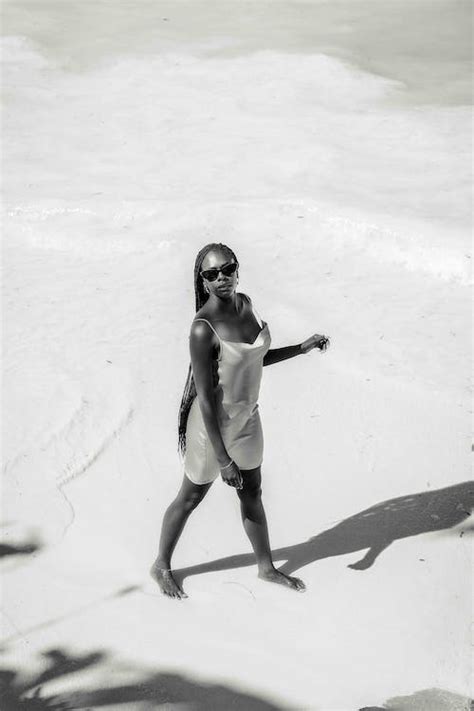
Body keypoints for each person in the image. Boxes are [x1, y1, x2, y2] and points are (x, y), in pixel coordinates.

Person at [151, 242, 330, 599]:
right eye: (211, 274)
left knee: (253, 492)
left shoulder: (246, 305)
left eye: (227, 269)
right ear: (202, 281)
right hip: (211, 431)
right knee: (190, 498)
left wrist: (301, 348)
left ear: (237, 269)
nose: (222, 279)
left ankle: (266, 568)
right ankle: (161, 565)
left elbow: (254, 360)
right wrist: (223, 459)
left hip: (248, 418)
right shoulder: (202, 329)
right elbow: (203, 398)